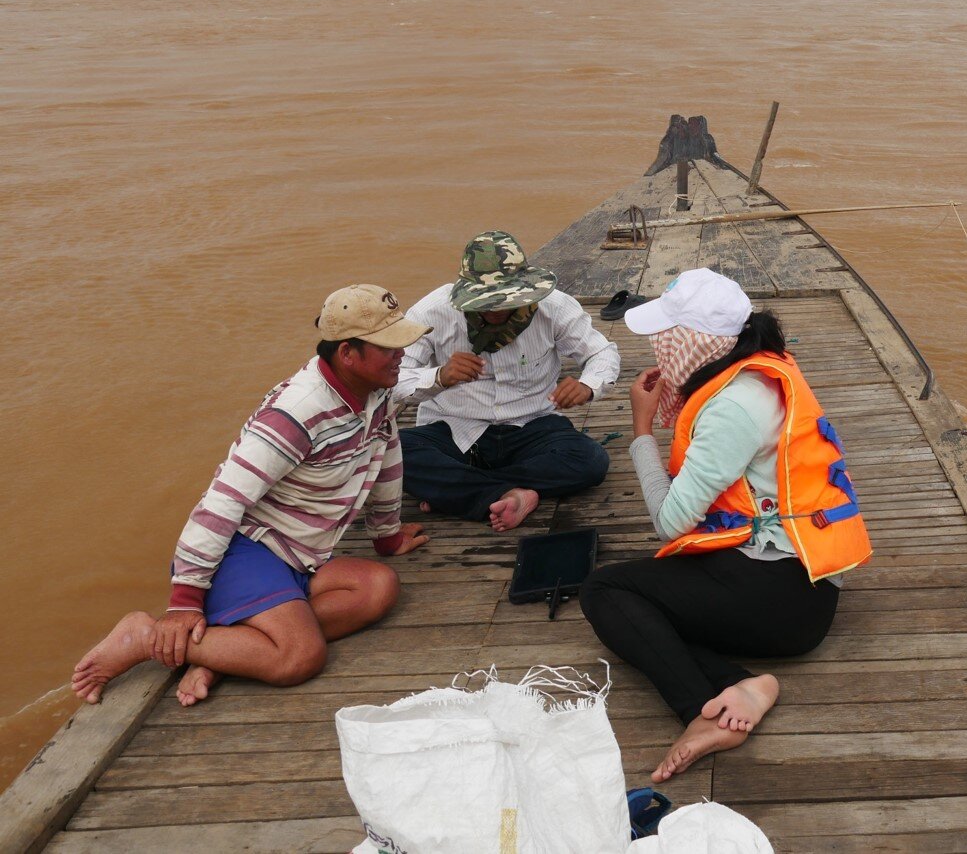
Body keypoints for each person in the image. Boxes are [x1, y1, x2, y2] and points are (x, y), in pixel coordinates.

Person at [71, 285, 433, 708]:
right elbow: (222, 501)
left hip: (302, 552)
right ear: (348, 354)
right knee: (299, 656)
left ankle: (230, 651)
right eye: (388, 347)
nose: (401, 354)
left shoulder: (375, 391)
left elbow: (386, 453)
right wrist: (183, 601)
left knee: (377, 588)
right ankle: (145, 636)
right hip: (247, 549)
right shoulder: (297, 412)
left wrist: (386, 535)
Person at [579, 268, 872, 782]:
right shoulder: (758, 372)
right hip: (803, 587)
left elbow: (670, 523)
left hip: (779, 598)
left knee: (606, 591)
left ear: (692, 343)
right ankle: (744, 685)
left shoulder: (732, 407)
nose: (658, 347)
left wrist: (642, 430)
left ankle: (700, 709)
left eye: (666, 337)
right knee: (651, 600)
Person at [394, 231, 619, 533]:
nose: (496, 311)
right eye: (484, 304)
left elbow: (602, 352)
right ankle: (510, 493)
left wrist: (588, 385)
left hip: (531, 426)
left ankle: (458, 491)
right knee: (390, 453)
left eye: (505, 301)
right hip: (454, 427)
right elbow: (392, 380)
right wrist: (438, 376)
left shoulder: (554, 307)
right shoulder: (431, 312)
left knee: (590, 460)